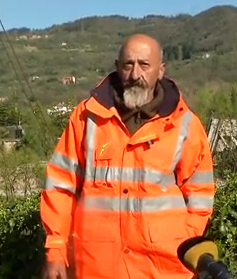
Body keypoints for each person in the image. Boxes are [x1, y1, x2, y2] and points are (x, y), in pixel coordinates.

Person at [40, 33, 216, 279]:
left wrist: (184, 242)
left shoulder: (184, 124)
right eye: (128, 65)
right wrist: (56, 250)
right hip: (97, 268)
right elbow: (60, 186)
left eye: (144, 65)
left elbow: (200, 194)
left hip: (164, 270)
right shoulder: (87, 117)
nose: (135, 75)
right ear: (117, 68)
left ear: (161, 70)